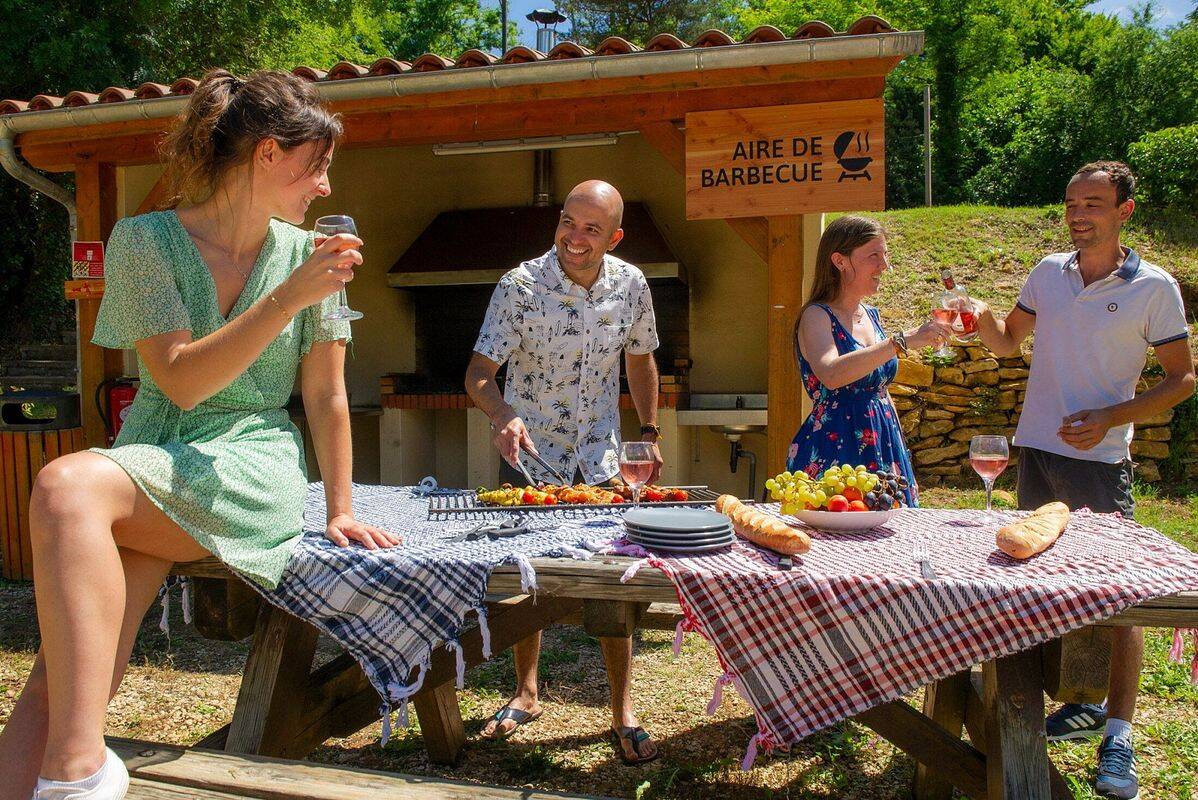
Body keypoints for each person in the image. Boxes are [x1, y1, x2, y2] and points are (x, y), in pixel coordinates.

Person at [0, 69, 400, 800]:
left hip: (248, 463)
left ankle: (75, 769)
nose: (325, 189)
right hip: (153, 455)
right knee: (61, 680)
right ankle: (73, 768)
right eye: (318, 167)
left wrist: (339, 507)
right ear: (268, 155)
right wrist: (289, 298)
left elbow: (326, 392)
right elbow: (181, 381)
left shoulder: (308, 262)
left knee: (64, 486)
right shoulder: (144, 241)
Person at [973, 160, 1194, 800]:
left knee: (1119, 601)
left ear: (1124, 211)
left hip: (1101, 463)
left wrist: (1108, 418)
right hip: (1038, 454)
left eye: (1093, 203)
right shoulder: (1047, 273)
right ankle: (1067, 702)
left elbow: (1182, 379)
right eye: (1072, 204)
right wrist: (979, 314)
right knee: (1039, 589)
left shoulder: (1156, 288)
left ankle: (1117, 735)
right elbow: (1009, 343)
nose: (1078, 214)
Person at [464, 180, 661, 764]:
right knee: (529, 578)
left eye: (591, 229)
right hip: (531, 458)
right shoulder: (519, 286)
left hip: (601, 457)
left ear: (615, 236)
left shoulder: (631, 285)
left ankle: (622, 710)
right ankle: (526, 692)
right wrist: (501, 414)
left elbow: (641, 356)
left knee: (614, 582)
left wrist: (648, 432)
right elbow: (478, 372)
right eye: (568, 223)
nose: (574, 238)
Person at [787, 215, 952, 505]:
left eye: (885, 254)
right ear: (839, 261)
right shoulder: (816, 316)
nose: (884, 265)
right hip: (835, 450)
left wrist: (902, 454)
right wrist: (900, 342)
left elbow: (880, 392)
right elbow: (831, 374)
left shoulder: (872, 315)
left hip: (884, 444)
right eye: (874, 255)